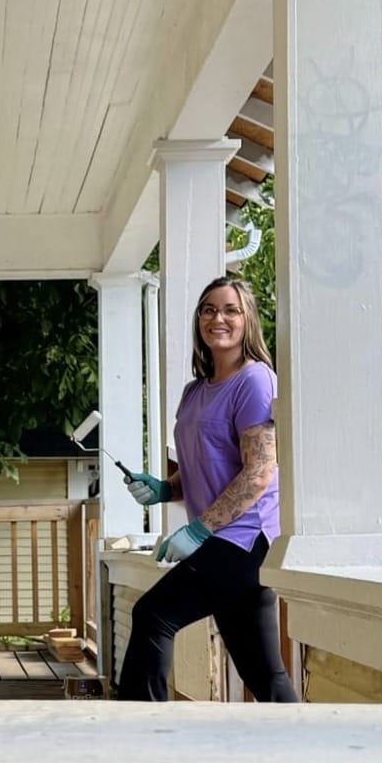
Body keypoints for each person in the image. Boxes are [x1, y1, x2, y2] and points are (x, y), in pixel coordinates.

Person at [116, 276, 295, 703]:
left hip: (244, 540)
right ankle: (306, 751)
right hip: (220, 540)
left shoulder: (253, 381)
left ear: (248, 319)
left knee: (153, 614)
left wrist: (198, 530)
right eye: (209, 309)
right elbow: (205, 469)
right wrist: (163, 489)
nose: (219, 318)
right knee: (263, 673)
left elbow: (258, 473)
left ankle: (138, 733)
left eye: (231, 310)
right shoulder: (194, 392)